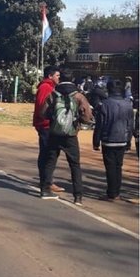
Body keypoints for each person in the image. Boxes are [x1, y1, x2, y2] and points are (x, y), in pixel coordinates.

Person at [40, 68, 93, 205]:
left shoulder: (53, 94)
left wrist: (53, 118)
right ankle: (78, 197)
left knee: (50, 161)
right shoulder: (78, 96)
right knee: (75, 165)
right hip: (70, 134)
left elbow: (43, 113)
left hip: (54, 133)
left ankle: (45, 190)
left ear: (61, 78)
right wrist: (78, 121)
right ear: (72, 79)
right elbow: (87, 117)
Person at [92, 80, 134, 201]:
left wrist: (96, 141)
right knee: (118, 166)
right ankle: (116, 192)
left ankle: (112, 193)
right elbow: (130, 125)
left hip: (108, 139)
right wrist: (128, 141)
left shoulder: (104, 104)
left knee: (110, 166)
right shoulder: (128, 104)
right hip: (122, 139)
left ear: (109, 90)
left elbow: (99, 125)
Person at [32, 65, 65, 194]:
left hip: (47, 125)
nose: (59, 78)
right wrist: (48, 119)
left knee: (50, 154)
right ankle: (46, 182)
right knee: (47, 154)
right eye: (57, 75)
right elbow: (42, 107)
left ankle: (47, 180)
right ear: (50, 76)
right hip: (45, 126)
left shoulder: (50, 87)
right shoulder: (46, 87)